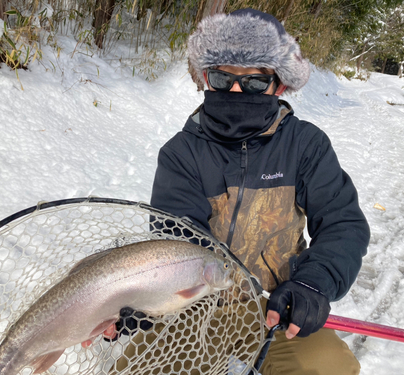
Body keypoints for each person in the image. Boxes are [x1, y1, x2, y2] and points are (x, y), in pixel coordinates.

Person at [149, 8, 370, 375]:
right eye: (222, 79)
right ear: (206, 77)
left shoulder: (306, 145)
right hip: (194, 308)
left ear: (278, 85)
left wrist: (311, 285)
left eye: (253, 82)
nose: (236, 91)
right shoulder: (182, 152)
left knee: (330, 367)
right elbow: (177, 238)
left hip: (277, 309)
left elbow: (342, 224)